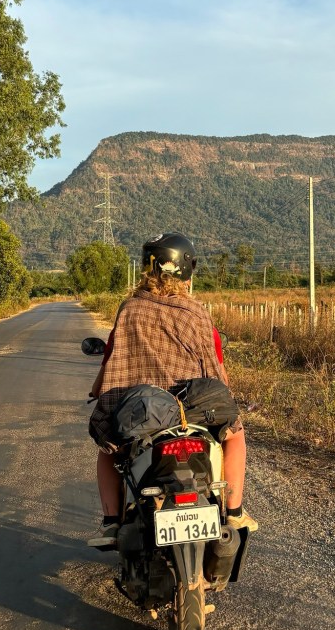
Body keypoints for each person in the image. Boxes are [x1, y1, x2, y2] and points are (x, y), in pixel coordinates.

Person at [87, 232, 258, 547]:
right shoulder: (195, 312)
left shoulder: (129, 309)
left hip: (140, 415)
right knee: (237, 435)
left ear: (148, 267)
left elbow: (114, 364)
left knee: (107, 448)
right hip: (188, 415)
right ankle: (233, 510)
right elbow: (215, 374)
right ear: (186, 270)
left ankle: (111, 522)